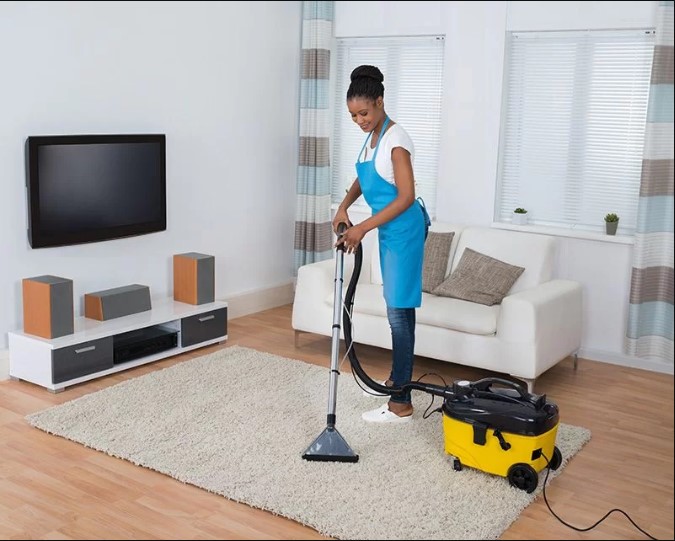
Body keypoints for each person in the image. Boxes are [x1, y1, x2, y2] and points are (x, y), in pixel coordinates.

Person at [333, 65, 429, 424]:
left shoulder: (396, 139)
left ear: (380, 101)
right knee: (399, 310)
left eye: (364, 113)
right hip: (389, 230)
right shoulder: (372, 136)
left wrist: (363, 229)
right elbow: (363, 176)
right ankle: (398, 385)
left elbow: (406, 196)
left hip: (403, 230)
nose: (359, 120)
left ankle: (400, 401)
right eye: (353, 116)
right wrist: (344, 205)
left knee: (399, 314)